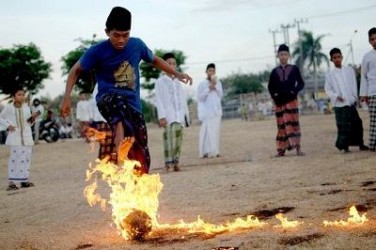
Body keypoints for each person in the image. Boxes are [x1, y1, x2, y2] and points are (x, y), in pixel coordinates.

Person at [60, 6, 192, 174]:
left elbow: (155, 60)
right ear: (107, 32)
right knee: (119, 109)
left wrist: (176, 73)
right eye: (117, 35)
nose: (121, 40)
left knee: (141, 147)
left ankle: (140, 180)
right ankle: (119, 156)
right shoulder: (97, 51)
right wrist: (66, 98)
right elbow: (75, 70)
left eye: (125, 35)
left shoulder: (136, 45)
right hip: (108, 99)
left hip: (133, 104)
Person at [325, 48, 369, 153]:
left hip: (350, 102)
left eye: (338, 57)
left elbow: (353, 84)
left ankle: (360, 143)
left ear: (342, 57)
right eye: (334, 58)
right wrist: (336, 96)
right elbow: (328, 89)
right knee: (343, 126)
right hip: (339, 104)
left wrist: (354, 97)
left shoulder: (349, 70)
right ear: (331, 59)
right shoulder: (330, 75)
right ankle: (344, 146)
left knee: (357, 123)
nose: (337, 59)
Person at [155, 52, 190, 172]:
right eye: (169, 63)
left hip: (179, 115)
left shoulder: (178, 82)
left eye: (174, 64)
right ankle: (167, 164)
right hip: (168, 116)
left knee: (178, 139)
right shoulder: (160, 82)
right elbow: (158, 100)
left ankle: (176, 162)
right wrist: (162, 117)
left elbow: (182, 100)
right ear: (163, 65)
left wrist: (185, 116)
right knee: (168, 139)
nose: (172, 66)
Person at [268, 44, 305, 157]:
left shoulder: (294, 69)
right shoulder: (274, 72)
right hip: (279, 103)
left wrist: (294, 91)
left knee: (294, 124)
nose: (283, 57)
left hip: (291, 101)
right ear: (278, 56)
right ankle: (281, 150)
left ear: (289, 55)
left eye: (285, 54)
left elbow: (301, 83)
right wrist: (275, 97)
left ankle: (298, 148)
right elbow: (270, 87)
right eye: (281, 54)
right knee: (281, 126)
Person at [0, 86, 35, 190]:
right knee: (15, 159)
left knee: (26, 158)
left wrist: (32, 119)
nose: (21, 97)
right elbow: (0, 118)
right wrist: (7, 126)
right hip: (15, 136)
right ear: (14, 96)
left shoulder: (26, 107)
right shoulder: (9, 107)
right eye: (19, 95)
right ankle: (11, 183)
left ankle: (24, 181)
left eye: (23, 95)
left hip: (26, 136)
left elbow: (28, 123)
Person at [197, 63, 223, 158]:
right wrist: (209, 88)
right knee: (207, 132)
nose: (211, 72)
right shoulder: (202, 84)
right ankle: (205, 151)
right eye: (209, 71)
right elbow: (200, 98)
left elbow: (220, 95)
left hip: (216, 111)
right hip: (207, 112)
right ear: (206, 72)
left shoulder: (218, 82)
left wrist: (215, 86)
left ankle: (215, 151)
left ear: (215, 72)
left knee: (216, 131)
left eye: (213, 71)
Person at [88, 85, 116, 162]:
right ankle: (104, 165)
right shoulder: (99, 85)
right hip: (102, 119)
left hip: (114, 119)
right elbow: (94, 104)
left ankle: (113, 165)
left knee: (114, 144)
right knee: (105, 144)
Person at [360, 27, 376, 151]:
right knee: (374, 119)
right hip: (372, 92)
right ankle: (373, 144)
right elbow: (364, 77)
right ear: (369, 41)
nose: (375, 41)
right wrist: (363, 94)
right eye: (372, 39)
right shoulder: (367, 57)